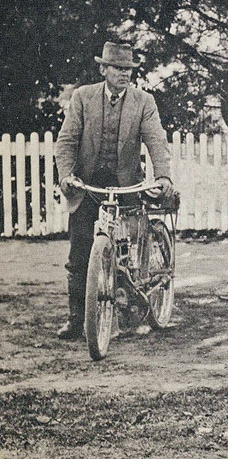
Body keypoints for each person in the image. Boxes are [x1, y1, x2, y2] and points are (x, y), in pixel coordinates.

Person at [55, 40, 174, 340]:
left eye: (128, 69)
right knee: (79, 253)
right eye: (118, 69)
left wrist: (163, 177)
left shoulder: (143, 102)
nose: (124, 74)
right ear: (103, 69)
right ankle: (75, 318)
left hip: (125, 186)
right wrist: (67, 176)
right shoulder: (82, 98)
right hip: (88, 186)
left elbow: (156, 142)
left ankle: (129, 308)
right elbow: (67, 141)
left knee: (127, 252)